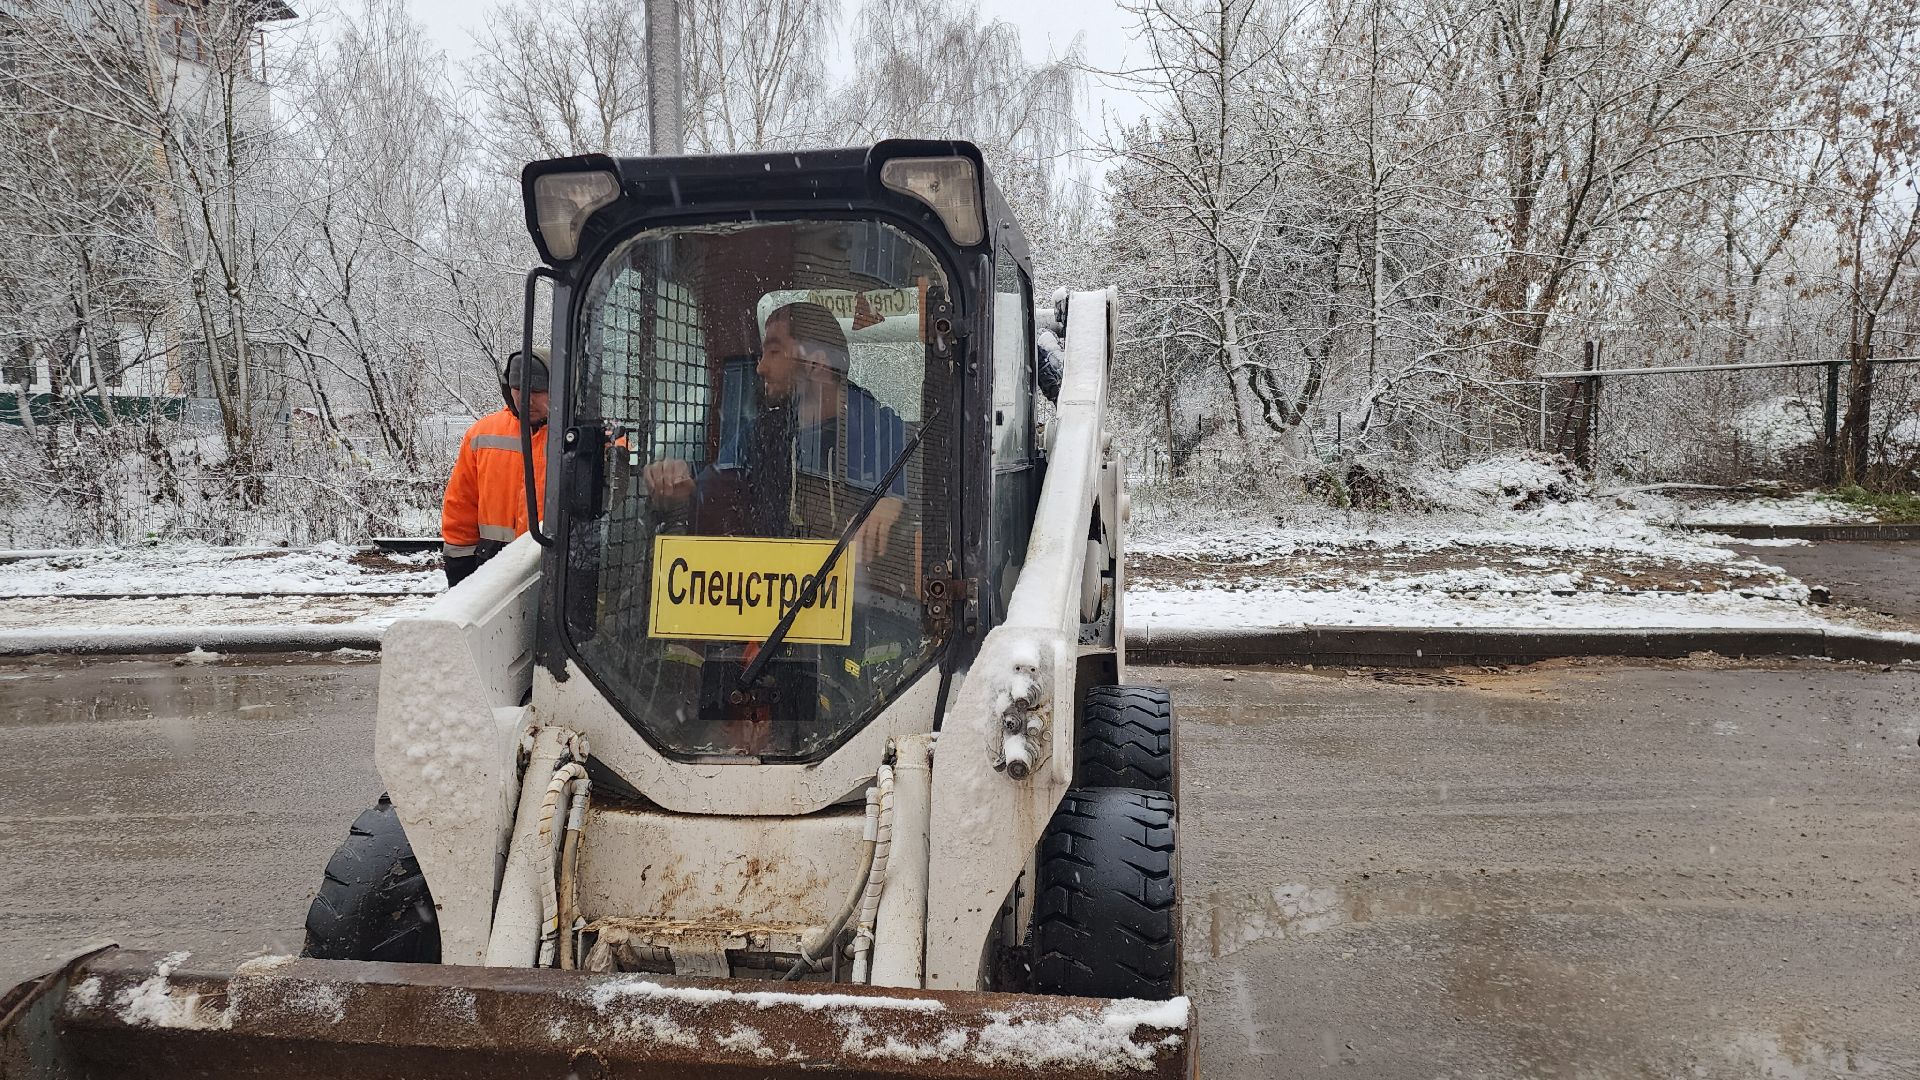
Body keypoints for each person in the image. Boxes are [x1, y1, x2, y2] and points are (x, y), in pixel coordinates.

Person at [642, 302, 904, 560]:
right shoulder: (762, 432)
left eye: (774, 352)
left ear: (816, 364)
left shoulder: (884, 430)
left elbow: (926, 494)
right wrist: (675, 484)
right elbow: (713, 483)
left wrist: (896, 502)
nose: (760, 368)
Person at [441, 348, 551, 588]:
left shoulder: (587, 437)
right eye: (519, 389)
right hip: (494, 570)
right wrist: (459, 569)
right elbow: (461, 505)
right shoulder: (483, 434)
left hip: (562, 569)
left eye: (537, 391)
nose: (526, 399)